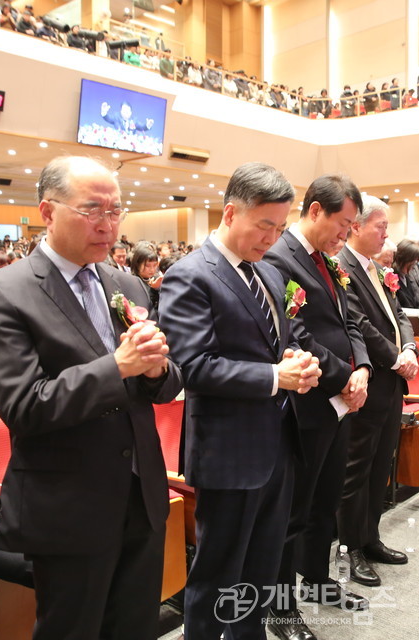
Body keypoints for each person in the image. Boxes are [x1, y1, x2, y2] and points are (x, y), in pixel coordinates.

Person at [0, 155, 183, 640]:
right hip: (68, 500)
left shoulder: (125, 284)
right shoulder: (5, 292)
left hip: (140, 493)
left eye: (115, 212)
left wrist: (155, 370)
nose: (108, 226)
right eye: (93, 211)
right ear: (47, 211)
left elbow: (166, 385)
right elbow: (25, 406)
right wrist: (118, 366)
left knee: (134, 626)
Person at [160, 162, 320, 640]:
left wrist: (297, 363)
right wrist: (275, 376)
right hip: (229, 449)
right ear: (231, 213)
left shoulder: (269, 274)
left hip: (277, 444)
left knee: (261, 570)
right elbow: (192, 367)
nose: (273, 236)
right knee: (218, 574)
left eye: (280, 226)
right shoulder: (190, 275)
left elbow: (277, 344)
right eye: (264, 224)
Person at [263, 174, 372, 638]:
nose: (346, 234)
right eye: (343, 223)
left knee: (326, 501)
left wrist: (362, 367)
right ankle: (281, 608)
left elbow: (351, 321)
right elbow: (293, 335)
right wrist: (344, 376)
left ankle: (319, 579)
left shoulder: (330, 262)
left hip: (339, 401)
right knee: (294, 512)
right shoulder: (278, 257)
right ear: (314, 212)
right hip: (306, 402)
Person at [336, 196, 418, 587]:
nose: (388, 234)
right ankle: (350, 546)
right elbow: (360, 323)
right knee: (358, 468)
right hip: (367, 382)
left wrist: (410, 347)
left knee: (381, 463)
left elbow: (399, 313)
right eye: (381, 226)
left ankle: (370, 536)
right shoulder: (342, 267)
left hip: (391, 383)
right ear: (356, 227)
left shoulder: (376, 266)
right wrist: (395, 357)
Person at [393, 238, 419, 308]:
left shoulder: (407, 276)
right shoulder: (392, 278)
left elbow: (416, 299)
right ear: (404, 259)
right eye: (412, 260)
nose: (414, 263)